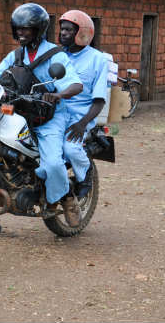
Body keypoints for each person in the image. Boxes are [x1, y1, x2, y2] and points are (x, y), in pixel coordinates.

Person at [0, 3, 83, 233]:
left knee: (53, 164)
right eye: (17, 28)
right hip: (19, 113)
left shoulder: (55, 55)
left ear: (38, 29)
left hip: (48, 117)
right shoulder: (16, 55)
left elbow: (75, 84)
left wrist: (57, 94)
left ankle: (67, 198)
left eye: (26, 29)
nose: (20, 33)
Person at [58, 10, 108, 198]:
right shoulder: (57, 55)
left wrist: (82, 124)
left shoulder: (97, 59)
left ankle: (85, 174)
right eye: (62, 29)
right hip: (55, 115)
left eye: (69, 30)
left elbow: (99, 100)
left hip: (80, 117)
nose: (63, 33)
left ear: (83, 33)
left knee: (70, 148)